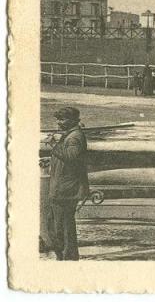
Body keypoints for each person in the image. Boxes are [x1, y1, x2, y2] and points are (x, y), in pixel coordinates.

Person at [45, 107, 89, 260]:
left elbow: (71, 157)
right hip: (63, 188)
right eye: (58, 119)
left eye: (62, 119)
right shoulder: (70, 135)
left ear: (72, 120)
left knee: (63, 227)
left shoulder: (75, 137)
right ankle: (64, 256)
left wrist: (53, 146)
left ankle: (68, 258)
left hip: (67, 190)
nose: (58, 122)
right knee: (56, 224)